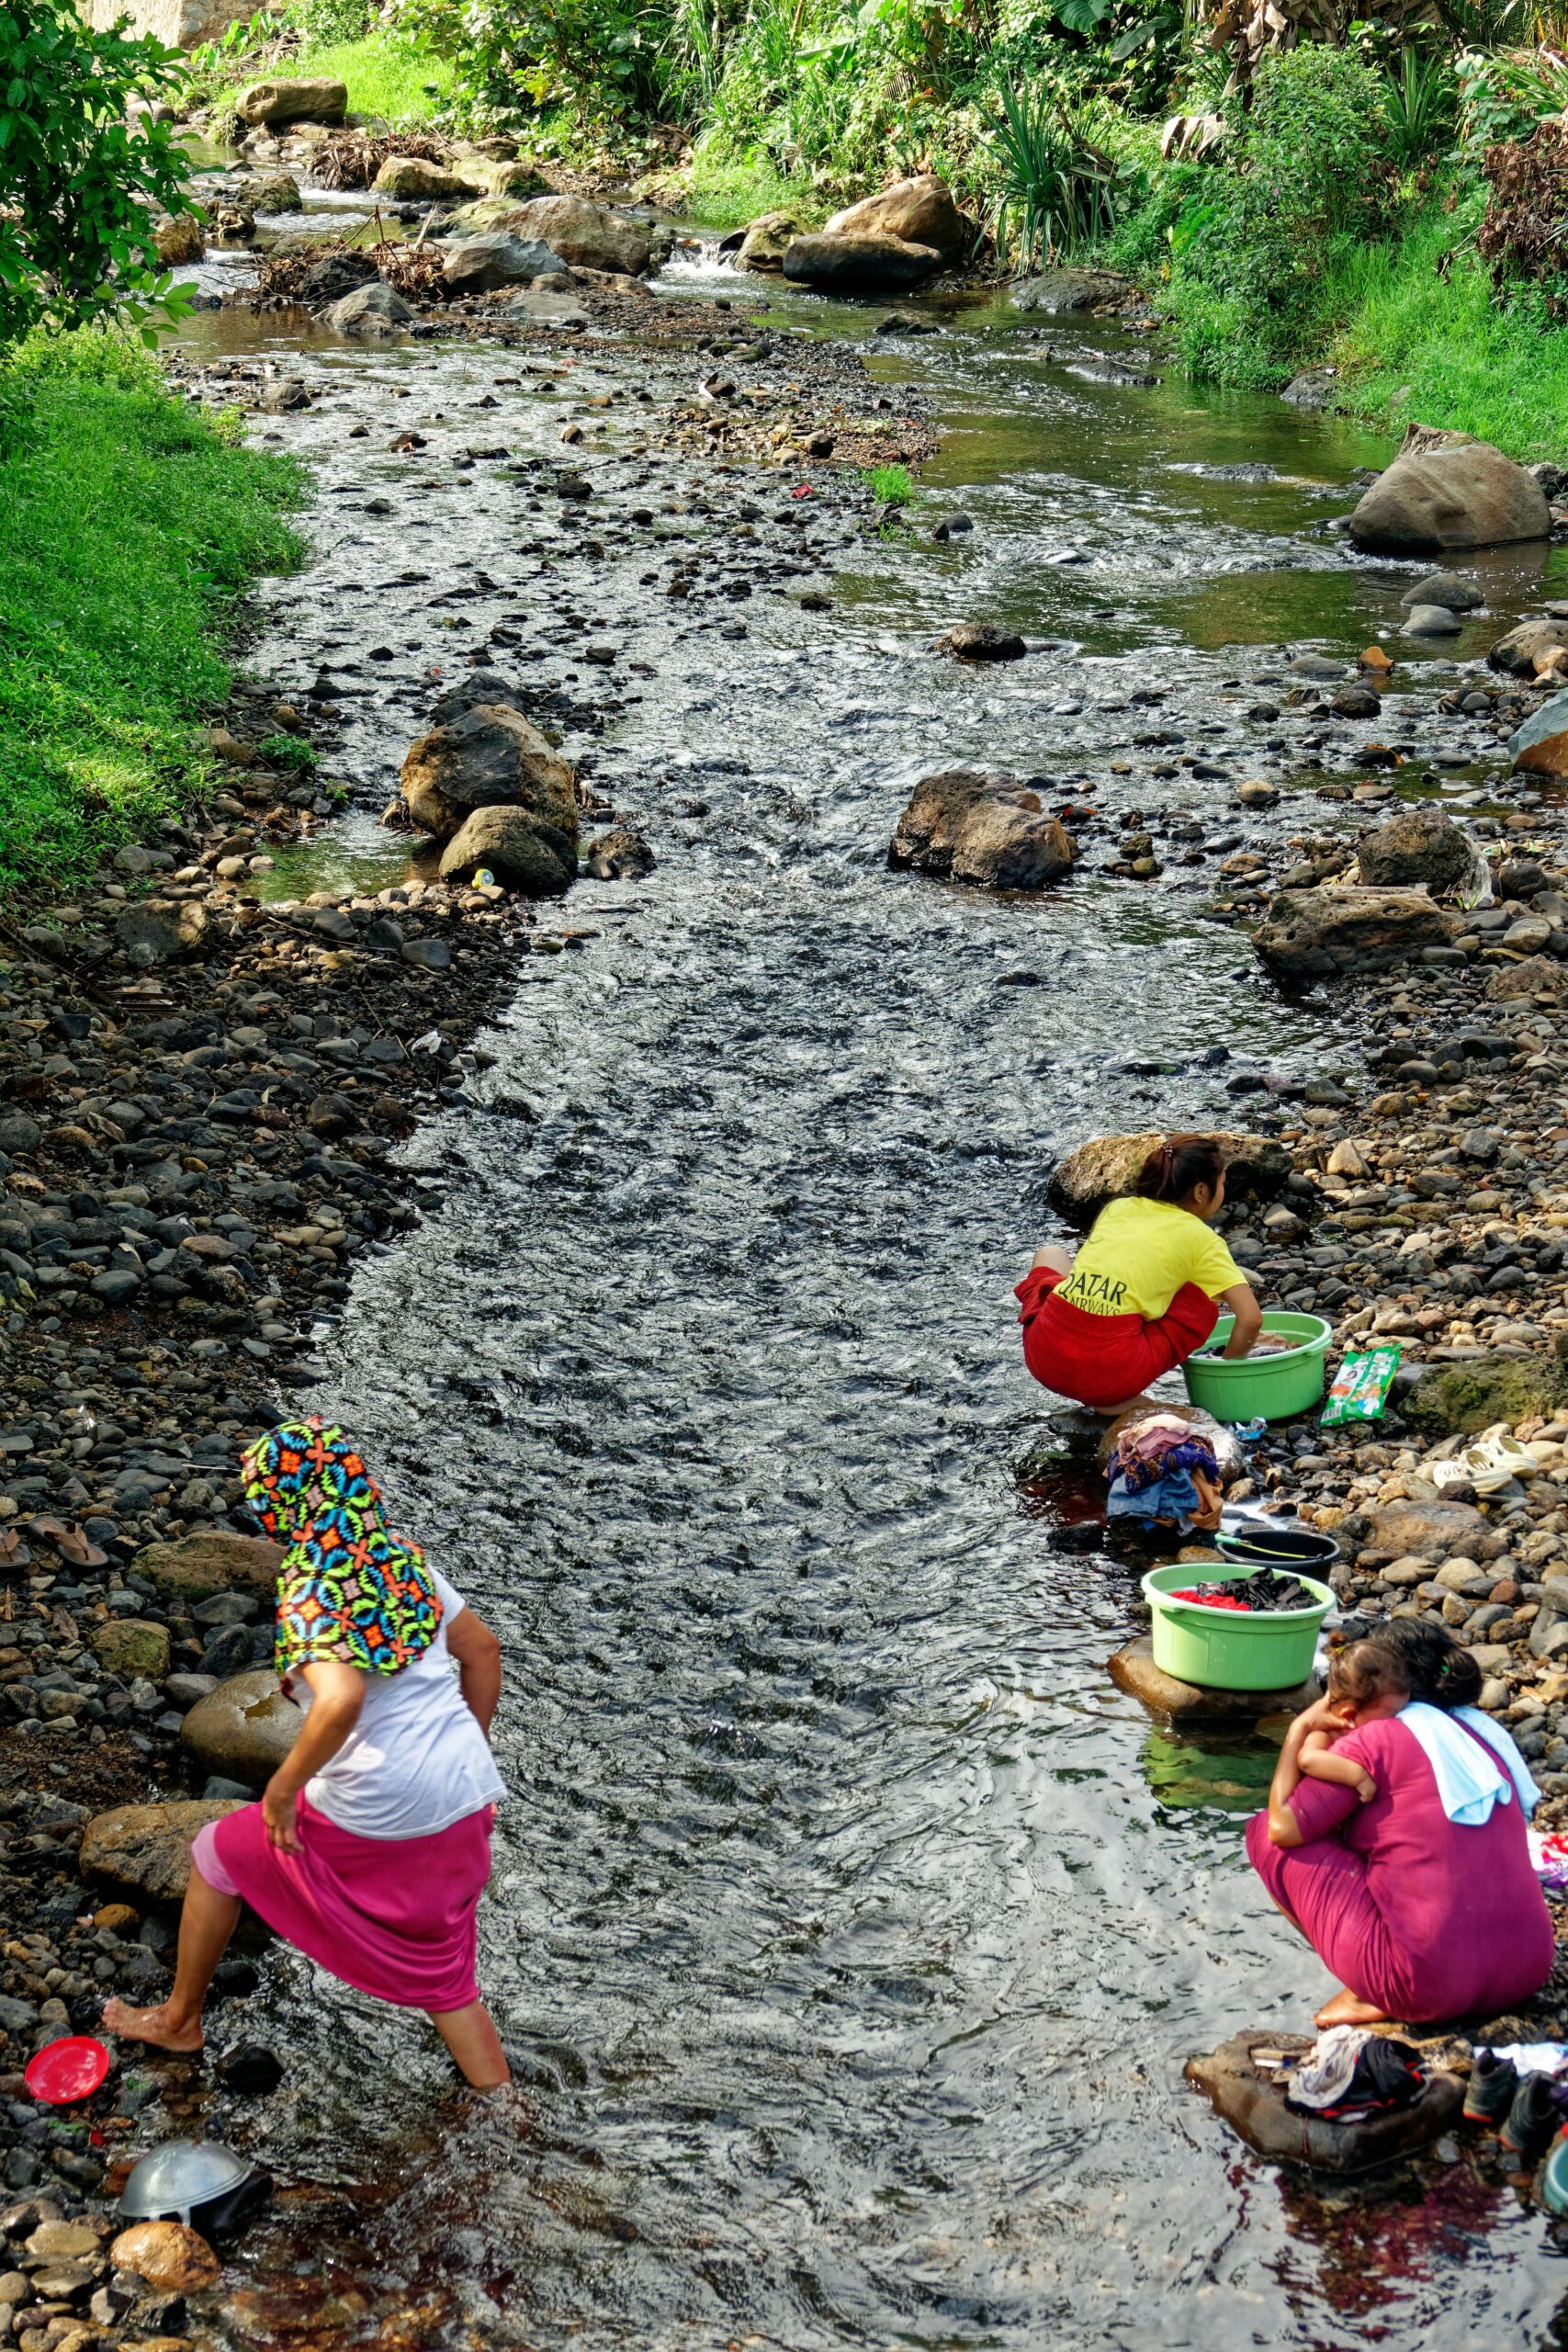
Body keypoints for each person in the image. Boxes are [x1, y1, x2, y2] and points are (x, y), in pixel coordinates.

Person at [103, 1419, 512, 2088]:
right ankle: (500, 2104)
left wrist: (285, 1787)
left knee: (220, 1852)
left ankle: (180, 2022)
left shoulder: (312, 1588)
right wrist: (466, 1744)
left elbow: (341, 1696)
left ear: (284, 1505)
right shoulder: (405, 1559)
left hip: (383, 1802)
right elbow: (483, 1651)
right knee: (443, 1969)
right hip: (465, 1789)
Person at [1247, 1621, 1552, 2028]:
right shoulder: (1478, 1732)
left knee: (1264, 1833)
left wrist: (1299, 1729)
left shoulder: (1373, 1739)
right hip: (1527, 1969)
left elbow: (1284, 1828)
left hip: (1427, 1989)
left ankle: (1368, 1992)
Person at [1015, 1134, 1262, 1414]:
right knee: (1202, 1302)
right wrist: (1232, 1368)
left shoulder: (1118, 1208)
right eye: (1223, 1183)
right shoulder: (1201, 1239)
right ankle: (1114, 1401)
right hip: (1109, 1375)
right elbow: (1251, 1319)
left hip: (1044, 1356)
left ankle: (1100, 1389)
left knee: (1051, 1254)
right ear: (1201, 1192)